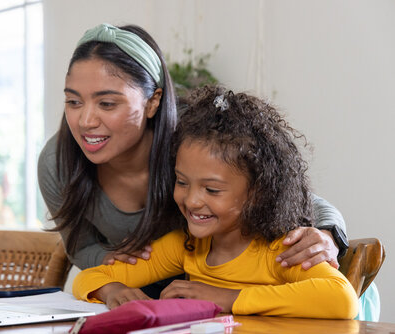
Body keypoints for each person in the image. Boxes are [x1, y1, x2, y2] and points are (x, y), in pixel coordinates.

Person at [37, 23, 344, 286]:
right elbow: (81, 248)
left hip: (225, 302)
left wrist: (327, 236)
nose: (85, 121)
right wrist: (111, 273)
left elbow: (293, 198)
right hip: (152, 306)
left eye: (106, 104)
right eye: (74, 102)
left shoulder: (193, 139)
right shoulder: (57, 162)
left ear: (153, 101)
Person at [72, 85, 359, 319]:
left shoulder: (280, 251)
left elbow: (342, 299)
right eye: (182, 182)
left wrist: (229, 299)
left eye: (212, 190)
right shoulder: (185, 246)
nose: (192, 200)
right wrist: (111, 290)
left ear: (257, 192)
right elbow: (89, 277)